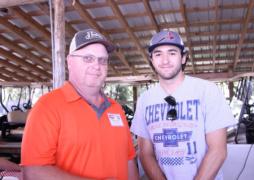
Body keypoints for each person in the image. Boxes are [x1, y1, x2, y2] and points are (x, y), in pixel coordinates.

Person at [21, 28, 139, 180]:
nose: (97, 65)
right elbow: (33, 172)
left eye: (102, 60)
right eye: (88, 58)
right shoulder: (47, 107)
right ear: (70, 62)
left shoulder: (116, 109)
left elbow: (128, 159)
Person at [131, 30, 236, 180]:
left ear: (183, 58)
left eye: (172, 53)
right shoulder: (145, 100)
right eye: (158, 54)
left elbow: (218, 150)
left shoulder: (207, 91)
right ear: (152, 60)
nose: (165, 60)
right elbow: (145, 153)